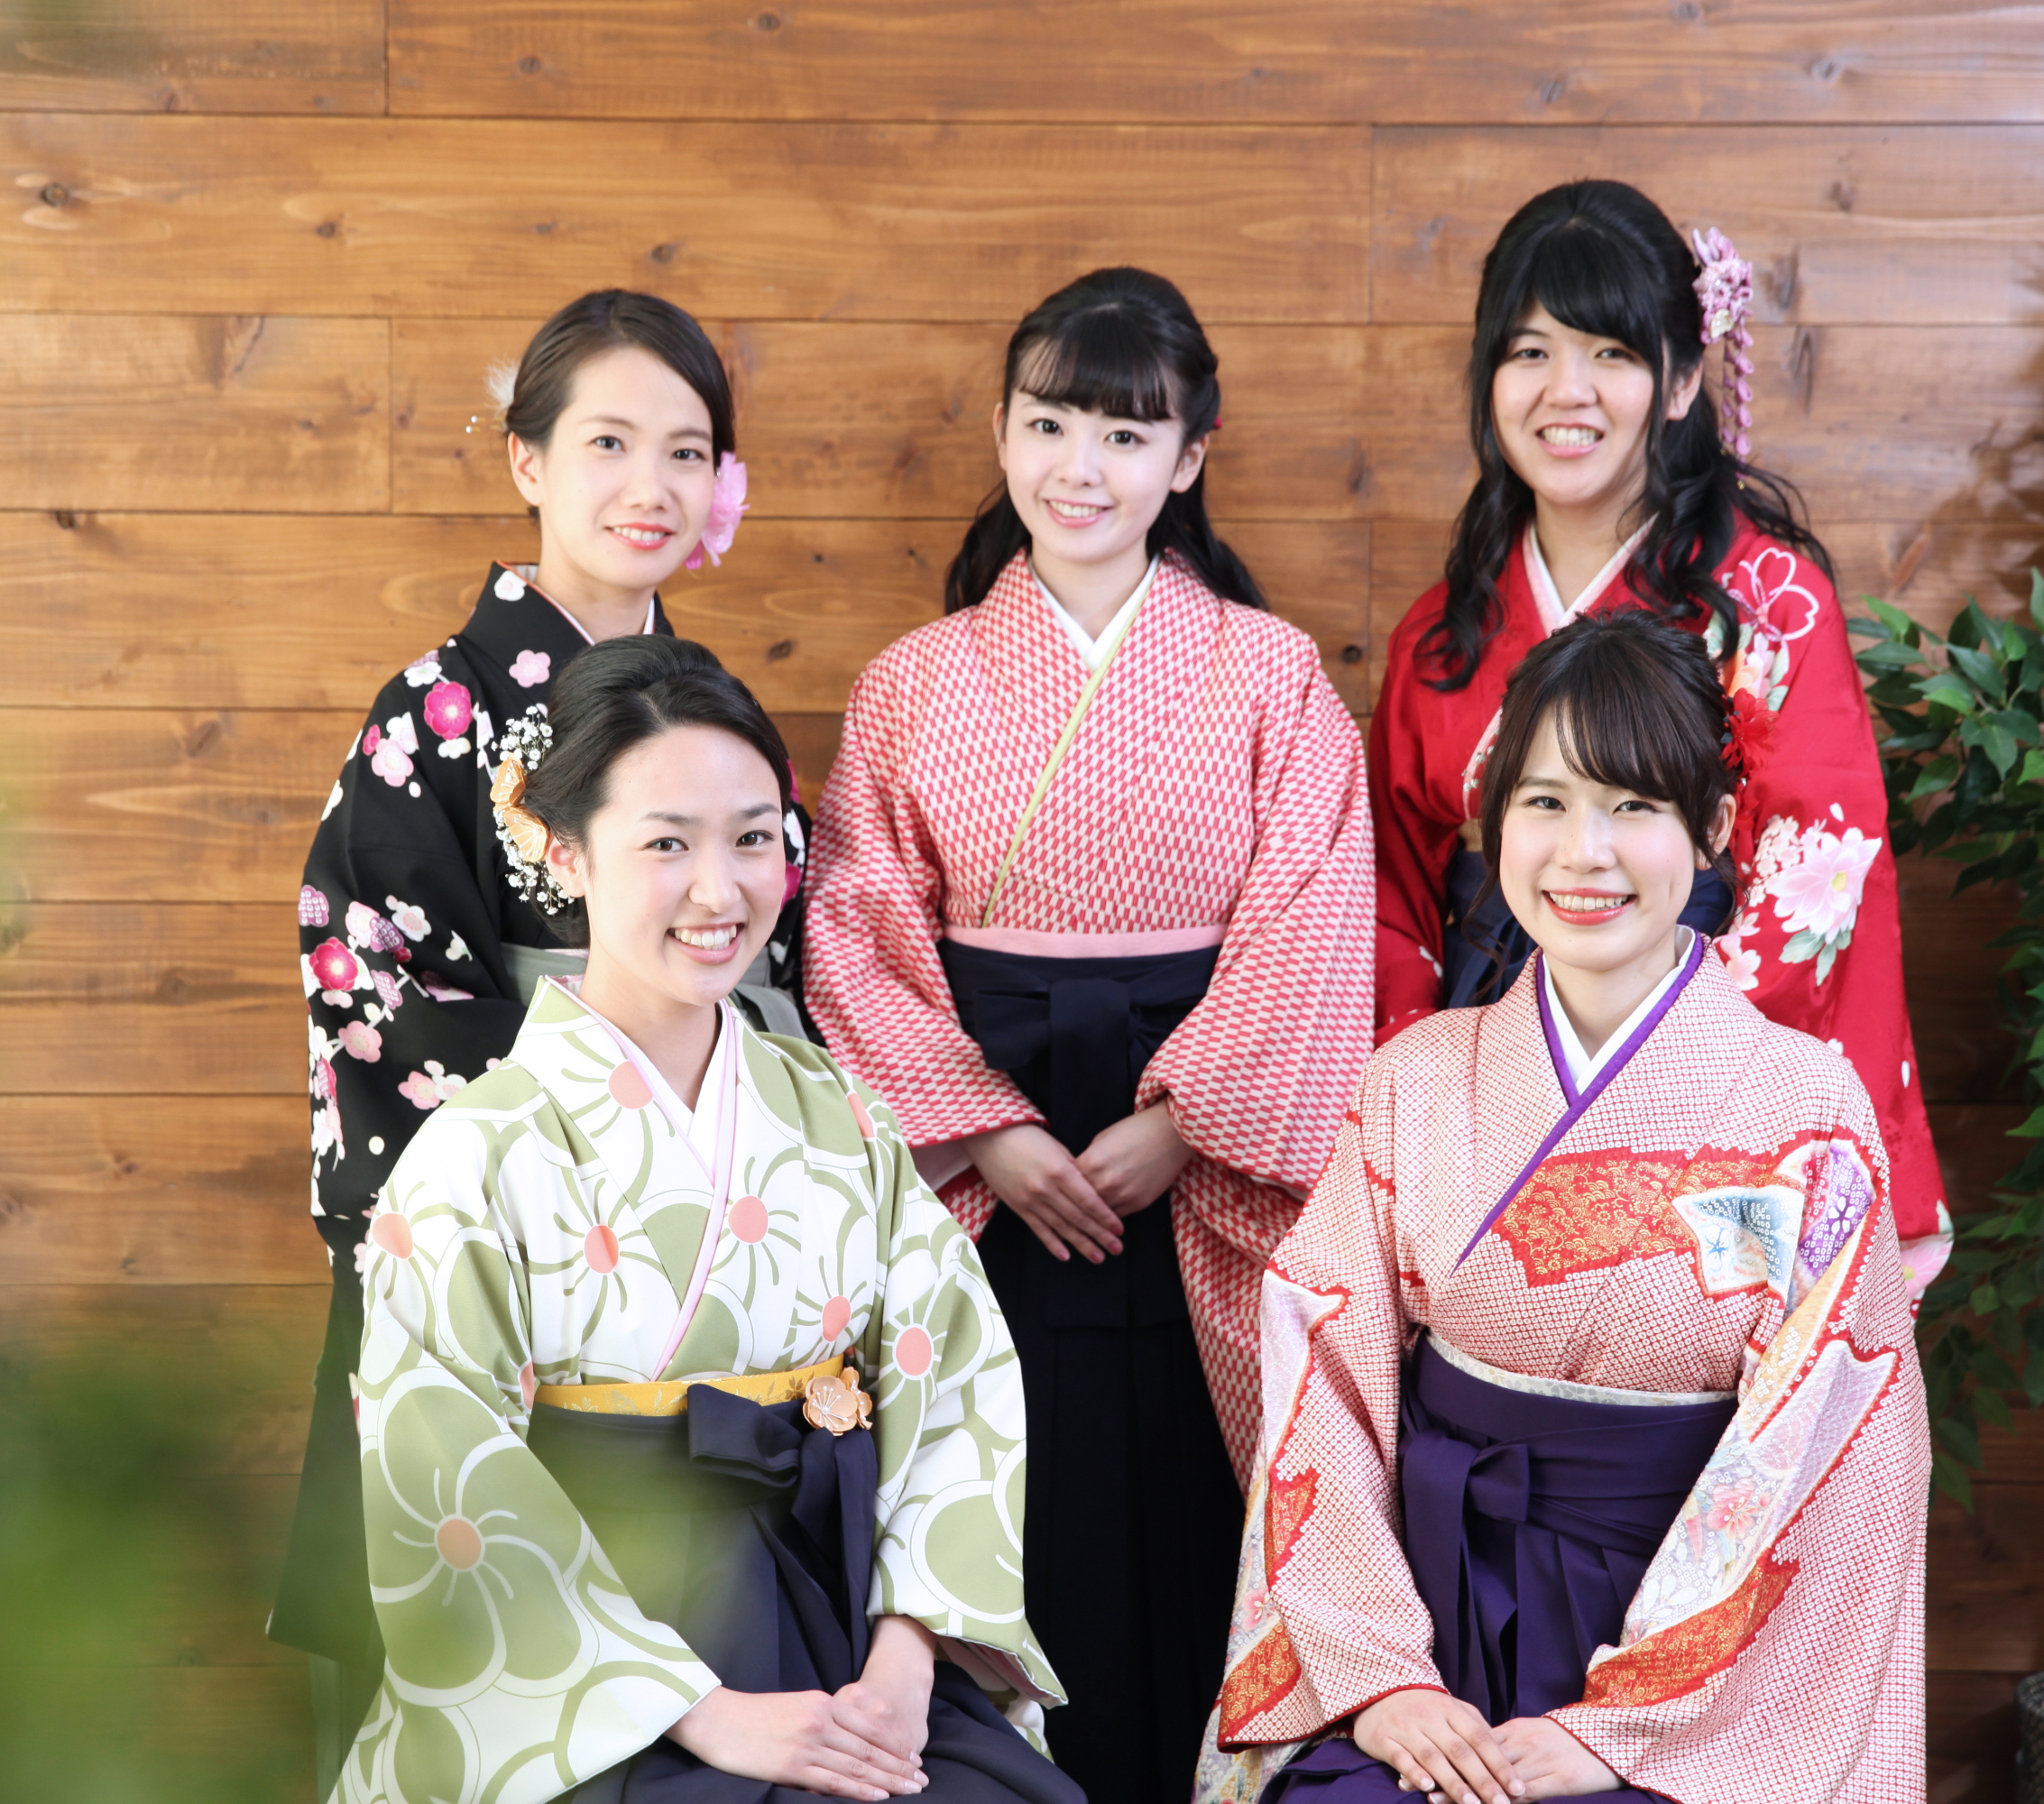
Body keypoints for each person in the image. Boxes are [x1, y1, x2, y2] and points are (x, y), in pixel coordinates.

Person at [329, 634, 1080, 1804]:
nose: (720, 891)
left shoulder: (837, 1113)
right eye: (667, 843)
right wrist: (706, 1715)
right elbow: (446, 1477)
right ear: (565, 850)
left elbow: (956, 1378)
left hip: (840, 1619)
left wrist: (905, 1662)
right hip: (597, 1666)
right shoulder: (478, 1154)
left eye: (753, 838)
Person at [806, 267, 1375, 1804]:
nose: (1082, 467)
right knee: (993, 1498)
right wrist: (987, 1129)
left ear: (1189, 458)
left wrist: (1181, 1128)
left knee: (1197, 1525)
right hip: (986, 1170)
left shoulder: (1270, 674)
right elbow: (855, 928)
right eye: (1050, 425)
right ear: (1002, 432)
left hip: (1199, 1163)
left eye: (1127, 435)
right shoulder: (913, 683)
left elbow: (1316, 922)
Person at [1202, 611, 1929, 1804]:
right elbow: (1322, 1385)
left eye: (1633, 805)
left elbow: (1841, 1459)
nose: (1583, 852)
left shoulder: (1805, 1106)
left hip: (1694, 1670)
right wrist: (1384, 1679)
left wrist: (1624, 1731)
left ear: (1713, 829)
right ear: (1495, 824)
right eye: (1545, 802)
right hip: (1422, 1623)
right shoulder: (1415, 1077)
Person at [275, 290, 809, 1783]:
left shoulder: (712, 710)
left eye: (688, 452)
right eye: (609, 444)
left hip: (699, 1241)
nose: (652, 486)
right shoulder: (434, 714)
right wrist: (604, 1116)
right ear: (527, 461)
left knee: (716, 1663)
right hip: (503, 1227)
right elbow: (372, 983)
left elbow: (777, 971)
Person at [1367, 179, 1947, 1291]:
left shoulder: (1771, 612)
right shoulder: (1439, 636)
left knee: (1704, 1369)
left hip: (1714, 1111)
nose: (1566, 391)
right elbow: (1391, 897)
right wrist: (1443, 1083)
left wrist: (1640, 1091)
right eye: (1529, 352)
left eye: (1611, 353)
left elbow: (1815, 890)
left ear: (1682, 379)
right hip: (1480, 1106)